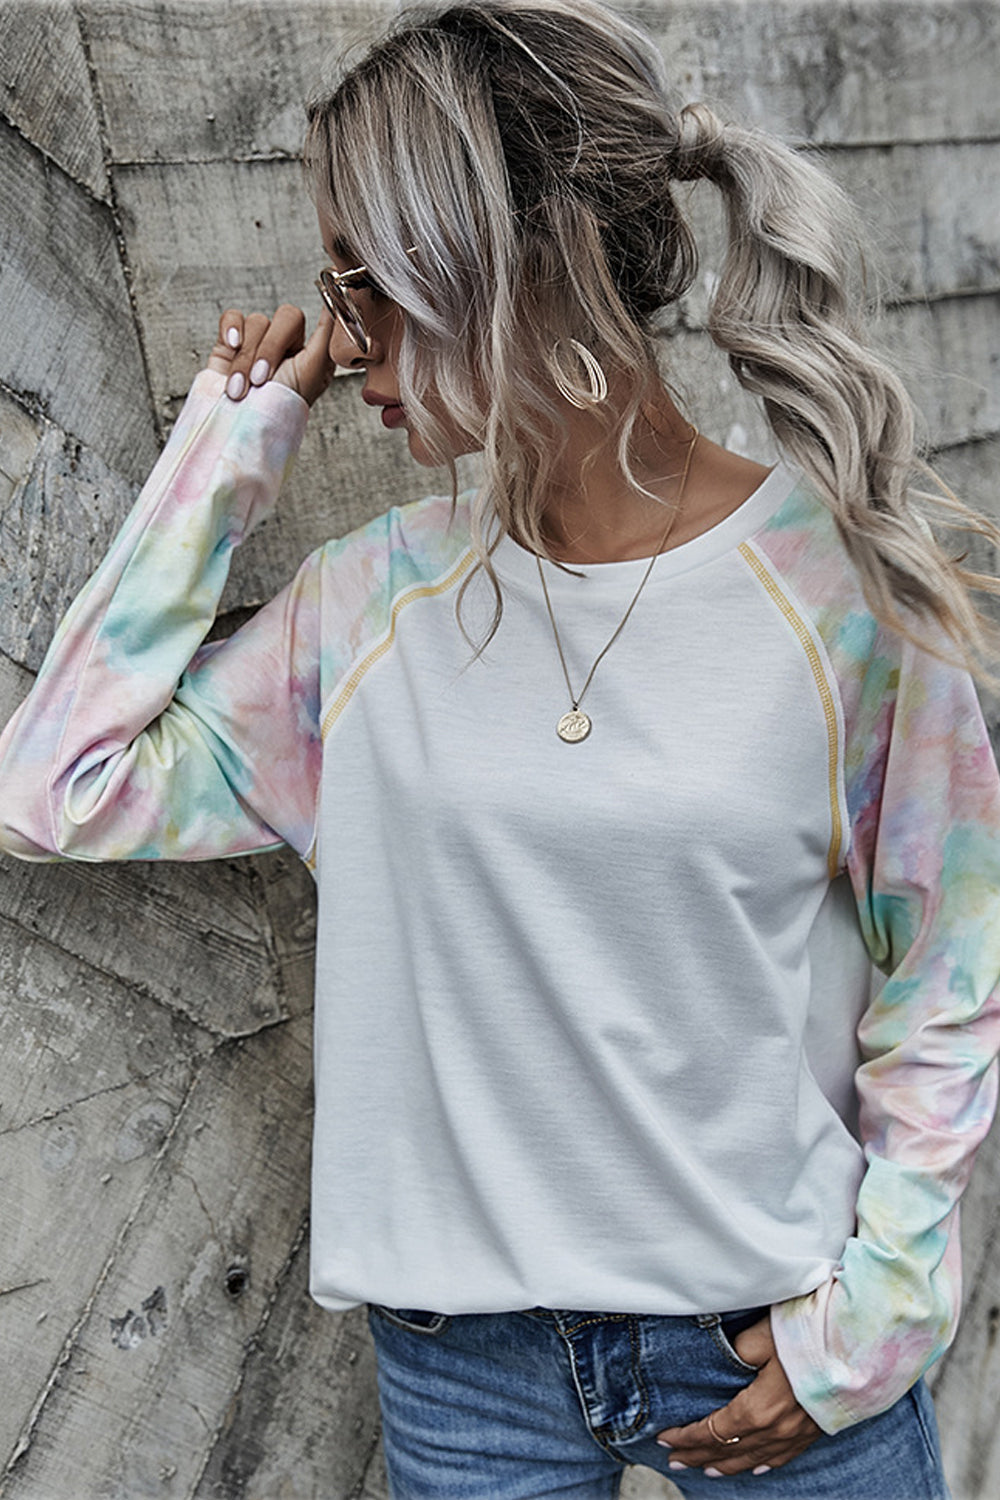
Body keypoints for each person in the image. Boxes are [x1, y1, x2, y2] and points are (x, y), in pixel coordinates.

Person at [1, 0, 999, 1494]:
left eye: (363, 282)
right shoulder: (367, 610)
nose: (343, 339)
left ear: (509, 264)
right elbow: (49, 792)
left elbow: (950, 976)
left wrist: (875, 1325)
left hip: (773, 1337)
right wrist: (229, 443)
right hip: (464, 1374)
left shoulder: (839, 596)